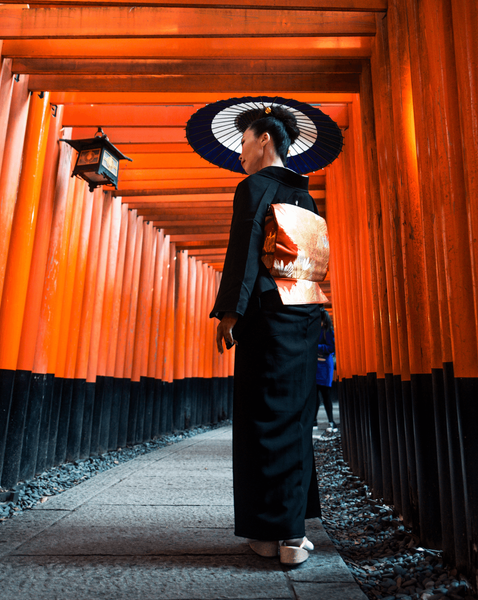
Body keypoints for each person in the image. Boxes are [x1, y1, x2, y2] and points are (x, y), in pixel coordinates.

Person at [210, 106, 324, 566]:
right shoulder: (306, 196)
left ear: (264, 140)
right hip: (302, 315)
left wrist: (229, 314)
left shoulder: (253, 187)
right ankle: (290, 535)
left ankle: (267, 530)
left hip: (265, 317)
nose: (240, 153)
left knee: (260, 417)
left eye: (244, 142)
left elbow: (244, 247)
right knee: (296, 416)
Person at [314, 308, 337, 432]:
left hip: (324, 366)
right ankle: (314, 420)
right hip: (317, 365)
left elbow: (331, 348)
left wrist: (316, 347)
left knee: (326, 395)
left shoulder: (327, 331)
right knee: (315, 396)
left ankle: (331, 421)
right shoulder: (318, 330)